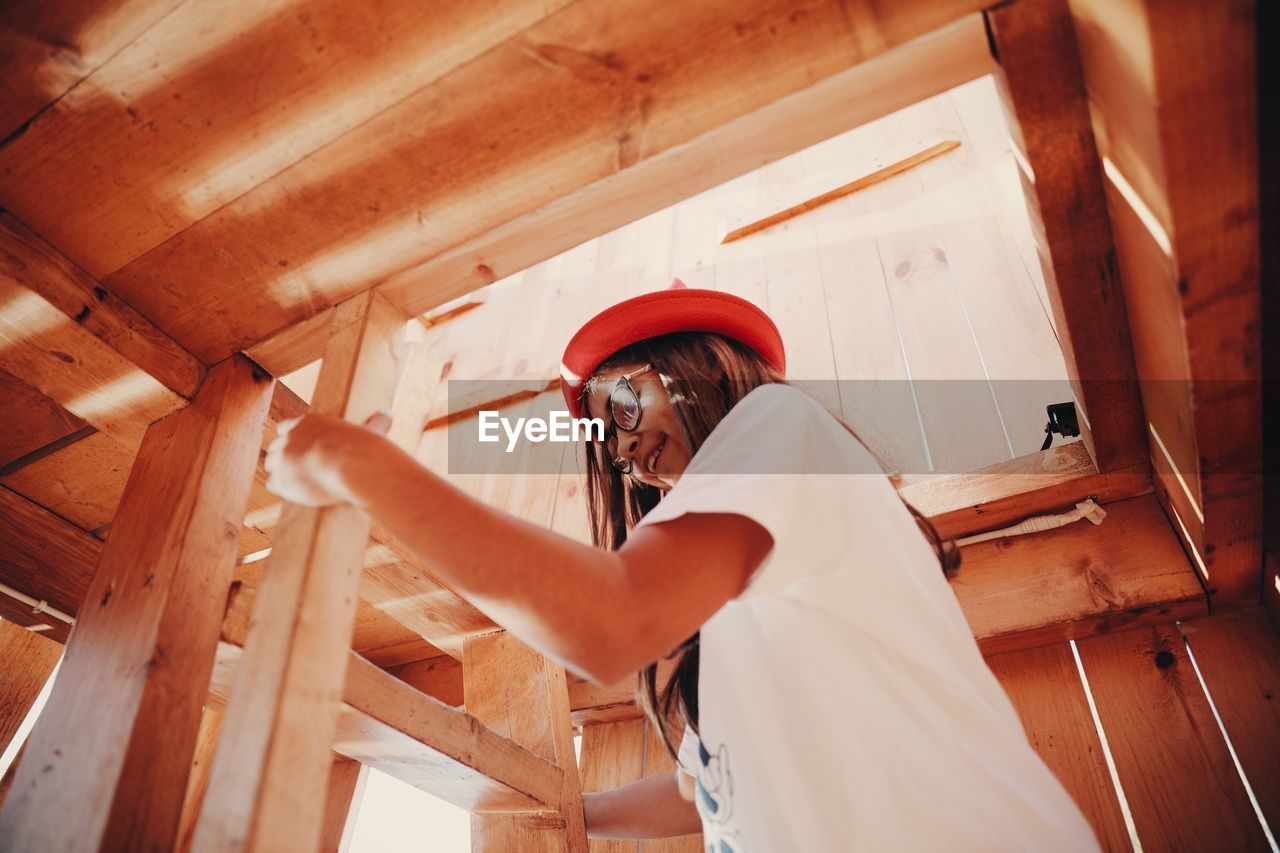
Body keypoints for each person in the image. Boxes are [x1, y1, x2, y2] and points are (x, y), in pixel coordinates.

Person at [265, 280, 1100, 851]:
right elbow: (705, 787)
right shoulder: (740, 604)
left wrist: (359, 466)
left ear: (707, 367)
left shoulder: (781, 423)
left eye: (623, 403)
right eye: (606, 439)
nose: (624, 448)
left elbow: (608, 619)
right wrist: (560, 816)